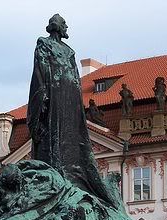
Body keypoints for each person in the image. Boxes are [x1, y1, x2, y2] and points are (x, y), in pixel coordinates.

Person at [27, 14, 116, 207]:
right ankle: (58, 174)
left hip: (68, 96)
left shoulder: (69, 50)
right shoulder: (44, 44)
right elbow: (41, 70)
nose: (67, 27)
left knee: (70, 137)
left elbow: (74, 76)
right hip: (56, 94)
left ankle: (69, 177)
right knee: (57, 133)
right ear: (57, 27)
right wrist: (44, 95)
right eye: (64, 24)